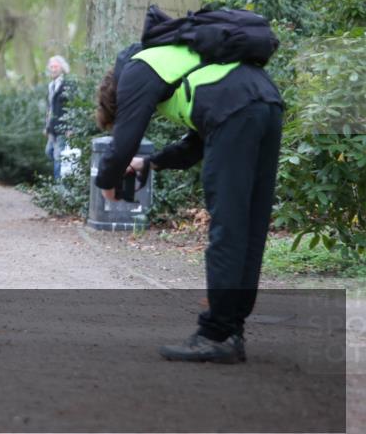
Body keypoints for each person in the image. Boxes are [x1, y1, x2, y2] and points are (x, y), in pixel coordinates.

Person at [95, 41, 282, 363]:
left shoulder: (138, 71)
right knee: (249, 227)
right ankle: (232, 330)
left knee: (228, 228)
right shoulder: (186, 65)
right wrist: (148, 163)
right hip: (267, 102)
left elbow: (124, 141)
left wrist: (107, 182)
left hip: (237, 112)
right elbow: (197, 142)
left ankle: (215, 335)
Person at [44, 55, 71, 180]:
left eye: (56, 66)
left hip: (62, 127)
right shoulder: (51, 86)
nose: (53, 69)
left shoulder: (67, 84)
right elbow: (50, 107)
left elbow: (71, 106)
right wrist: (47, 126)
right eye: (51, 66)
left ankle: (59, 188)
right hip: (52, 128)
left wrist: (70, 127)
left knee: (58, 157)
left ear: (61, 68)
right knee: (49, 152)